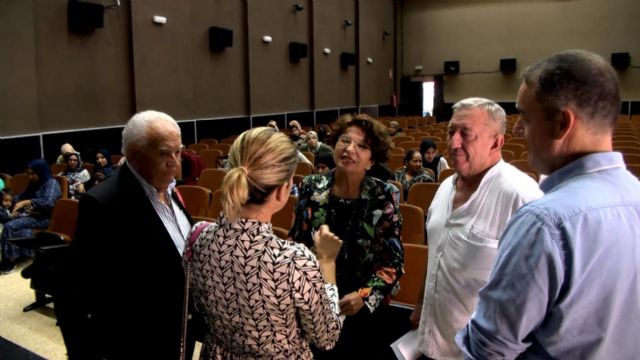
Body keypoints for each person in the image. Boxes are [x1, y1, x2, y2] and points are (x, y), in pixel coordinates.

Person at [456, 50, 640, 359]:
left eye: (525, 118)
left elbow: (489, 350)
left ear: (561, 124)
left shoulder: (544, 223)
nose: (516, 130)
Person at [55, 110, 203, 359]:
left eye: (178, 152)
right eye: (164, 154)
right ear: (135, 156)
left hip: (178, 337)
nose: (176, 163)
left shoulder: (172, 192)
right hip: (136, 344)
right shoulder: (103, 203)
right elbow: (71, 291)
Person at [187, 127, 344, 359]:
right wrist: (328, 264)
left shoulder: (199, 237)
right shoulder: (293, 261)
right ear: (283, 191)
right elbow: (326, 337)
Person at [410, 97, 543, 359]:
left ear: (497, 142)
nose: (453, 143)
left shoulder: (522, 198)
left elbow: (535, 295)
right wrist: (419, 304)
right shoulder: (446, 187)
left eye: (466, 135)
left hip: (480, 352)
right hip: (431, 339)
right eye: (451, 132)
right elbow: (436, 252)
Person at [289, 113, 404, 359]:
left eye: (362, 146)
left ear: (371, 161)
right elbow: (297, 244)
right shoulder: (311, 186)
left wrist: (364, 295)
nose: (349, 149)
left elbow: (393, 264)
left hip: (360, 309)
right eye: (344, 140)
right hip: (315, 303)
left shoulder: (384, 195)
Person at [0, 159, 62, 274]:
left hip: (43, 218)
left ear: (41, 171)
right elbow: (22, 196)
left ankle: (9, 261)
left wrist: (27, 202)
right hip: (30, 215)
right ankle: (17, 255)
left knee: (9, 226)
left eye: (32, 173)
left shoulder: (52, 183)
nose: (30, 176)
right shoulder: (34, 183)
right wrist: (10, 200)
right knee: (6, 219)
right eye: (28, 174)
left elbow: (48, 203)